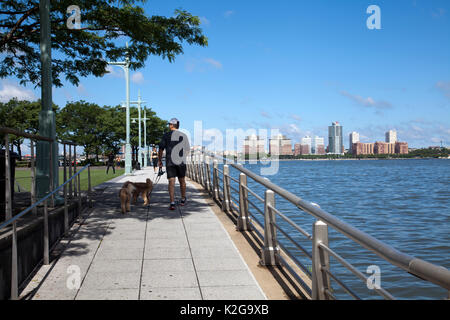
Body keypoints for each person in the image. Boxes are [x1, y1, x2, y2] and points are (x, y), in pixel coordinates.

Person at [158, 118, 190, 210]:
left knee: (171, 182)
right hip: (181, 162)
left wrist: (160, 160)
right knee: (182, 181)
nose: (169, 126)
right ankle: (183, 199)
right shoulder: (183, 135)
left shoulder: (166, 135)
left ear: (172, 125)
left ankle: (172, 202)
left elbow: (161, 149)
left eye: (169, 124)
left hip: (170, 162)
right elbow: (187, 150)